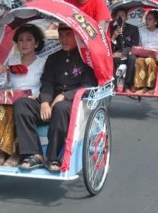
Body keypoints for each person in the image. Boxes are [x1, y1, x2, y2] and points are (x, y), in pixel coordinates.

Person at [14, 24, 97, 172]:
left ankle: (53, 157)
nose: (63, 39)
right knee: (21, 104)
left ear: (77, 36)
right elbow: (47, 83)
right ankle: (34, 154)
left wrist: (64, 96)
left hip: (72, 103)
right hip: (49, 99)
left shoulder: (87, 58)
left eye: (68, 35)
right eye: (61, 35)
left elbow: (88, 85)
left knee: (60, 107)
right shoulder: (53, 58)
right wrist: (45, 101)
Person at [0, 24, 46, 167]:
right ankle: (0, 151)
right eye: (21, 40)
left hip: (32, 102)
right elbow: (2, 86)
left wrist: (37, 98)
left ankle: (15, 153)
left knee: (18, 107)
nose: (24, 44)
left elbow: (47, 86)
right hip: (11, 98)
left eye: (29, 40)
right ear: (17, 43)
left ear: (36, 43)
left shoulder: (43, 63)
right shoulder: (11, 61)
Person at [132, 10, 158, 94]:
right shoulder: (141, 31)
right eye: (146, 19)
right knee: (138, 60)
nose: (147, 21)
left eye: (150, 19)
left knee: (150, 61)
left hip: (157, 57)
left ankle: (151, 87)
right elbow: (139, 45)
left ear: (155, 21)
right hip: (143, 55)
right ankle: (141, 86)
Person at [110, 8, 139, 92]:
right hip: (116, 55)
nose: (120, 18)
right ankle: (113, 85)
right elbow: (109, 46)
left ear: (126, 18)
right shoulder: (112, 29)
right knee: (111, 59)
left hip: (129, 54)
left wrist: (123, 53)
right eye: (118, 16)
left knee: (132, 59)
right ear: (115, 18)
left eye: (123, 16)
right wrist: (114, 37)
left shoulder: (133, 29)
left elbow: (134, 44)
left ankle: (127, 86)